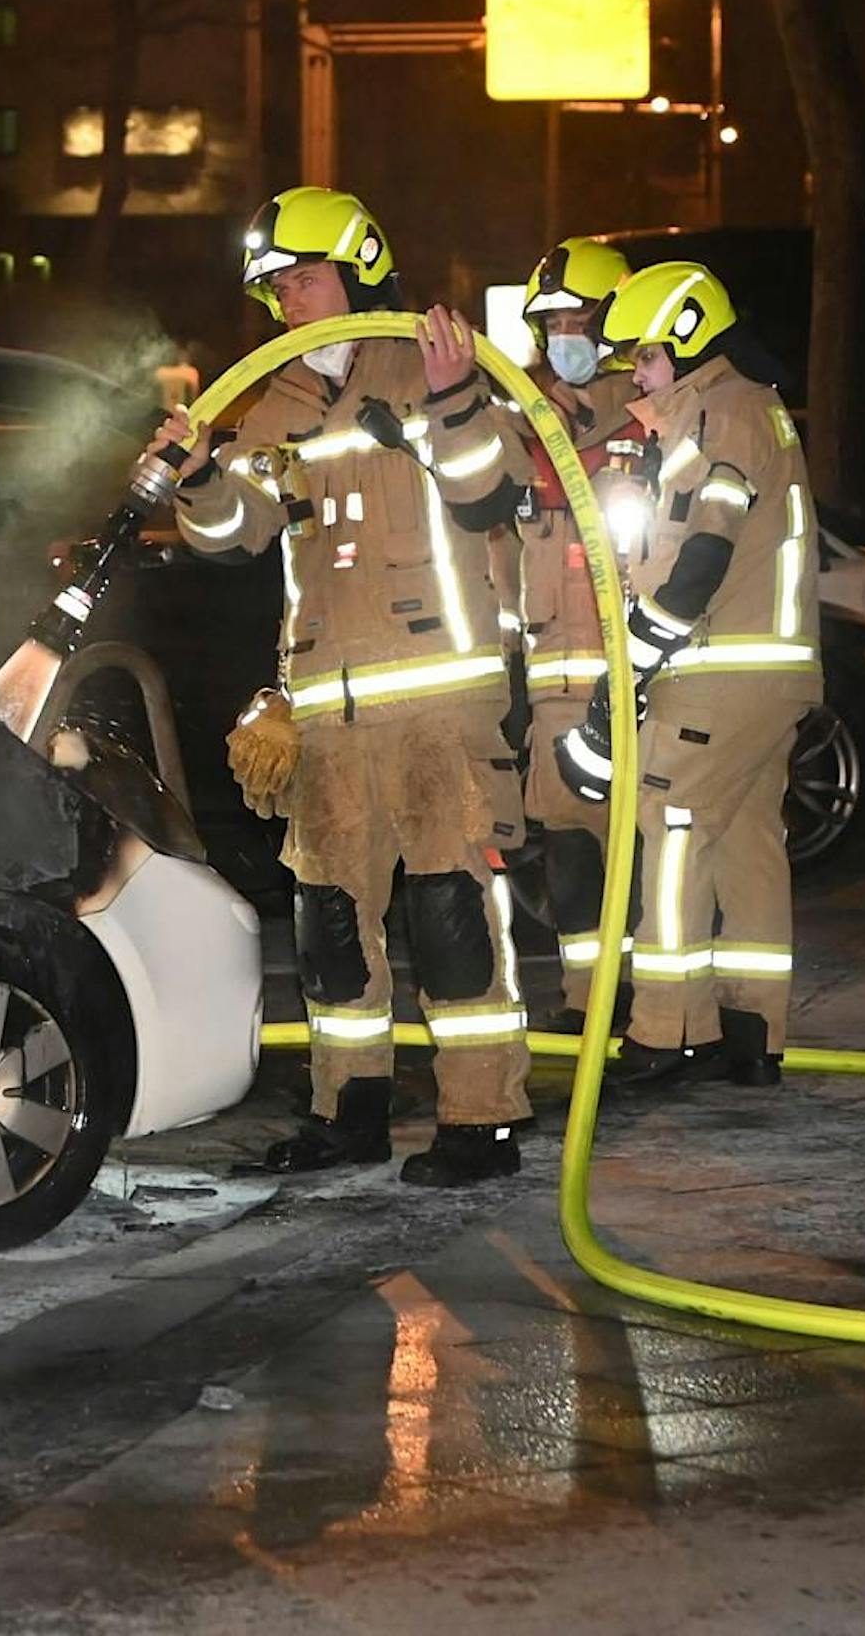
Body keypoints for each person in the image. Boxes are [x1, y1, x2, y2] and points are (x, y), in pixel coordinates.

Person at [147, 186, 532, 1187]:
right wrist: (195, 475)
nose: (284, 298)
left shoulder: (433, 362)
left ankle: (479, 1117)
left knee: (448, 912)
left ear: (357, 264)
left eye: (299, 275)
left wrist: (449, 402)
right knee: (325, 920)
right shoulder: (273, 401)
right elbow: (235, 536)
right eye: (271, 285)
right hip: (326, 704)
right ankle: (346, 1106)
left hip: (436, 701)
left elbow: (490, 490)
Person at [554, 260, 821, 1088]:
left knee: (670, 829)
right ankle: (751, 1033)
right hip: (762, 676)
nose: (633, 372)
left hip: (718, 671)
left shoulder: (723, 414)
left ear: (687, 337)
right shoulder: (735, 411)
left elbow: (704, 554)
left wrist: (631, 660)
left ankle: (668, 1031)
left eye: (642, 357)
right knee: (746, 845)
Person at [509, 238, 648, 1034]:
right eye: (552, 319)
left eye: (579, 317)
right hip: (555, 684)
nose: (565, 333)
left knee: (646, 849)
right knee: (567, 846)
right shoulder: (525, 421)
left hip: (642, 677)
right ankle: (587, 1001)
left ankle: (661, 1008)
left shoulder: (652, 412)